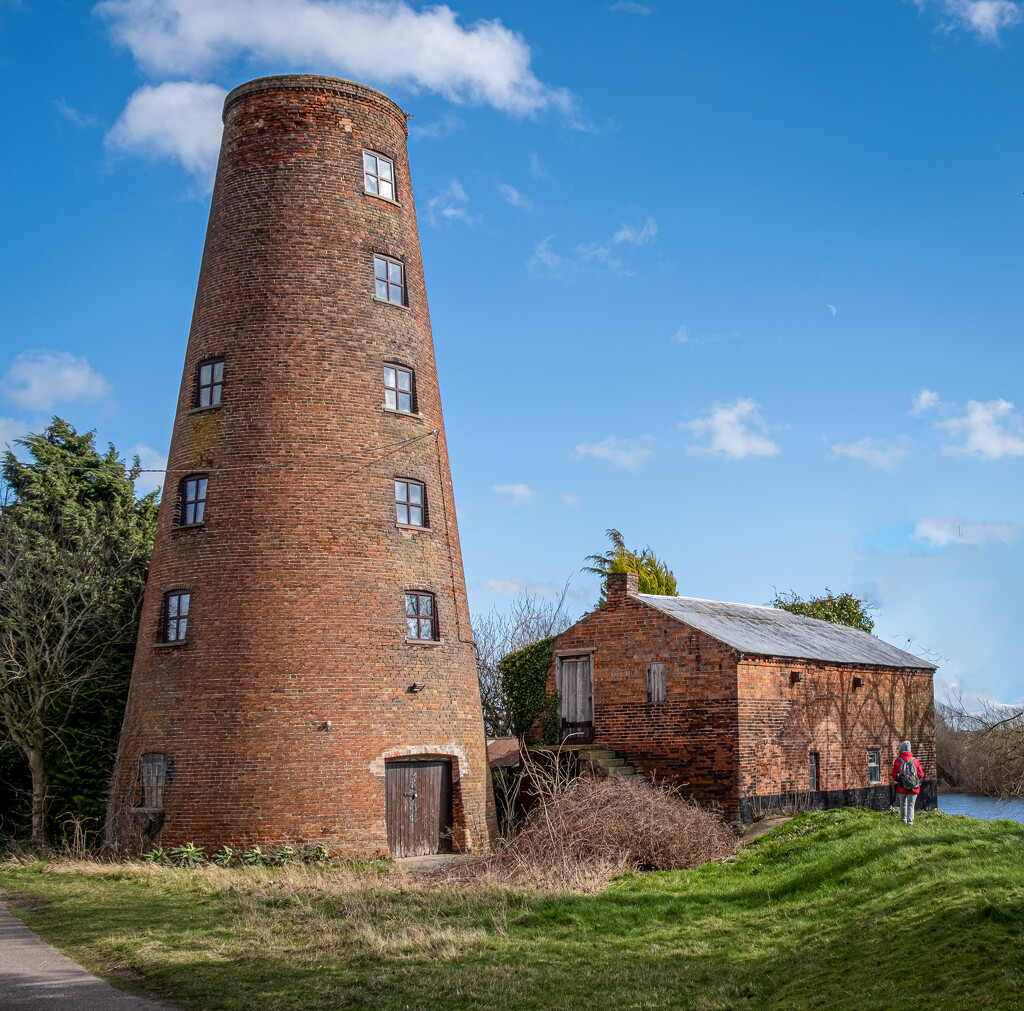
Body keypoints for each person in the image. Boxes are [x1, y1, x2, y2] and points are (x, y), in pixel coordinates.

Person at [891, 741, 924, 825]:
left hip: (902, 787)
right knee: (911, 805)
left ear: (901, 749)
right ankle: (910, 822)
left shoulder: (898, 761)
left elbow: (894, 775)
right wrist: (915, 780)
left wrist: (900, 780)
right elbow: (921, 774)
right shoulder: (915, 761)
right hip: (913, 787)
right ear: (909, 749)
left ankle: (903, 821)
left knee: (903, 804)